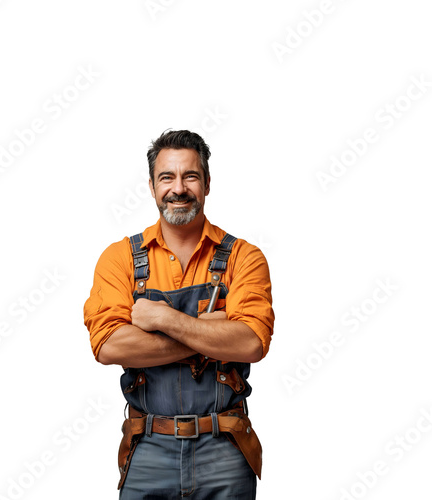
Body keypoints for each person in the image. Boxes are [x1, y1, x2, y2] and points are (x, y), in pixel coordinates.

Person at [83, 129, 275, 499]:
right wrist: (212, 333)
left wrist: (162, 319)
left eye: (190, 176)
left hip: (226, 449)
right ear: (153, 186)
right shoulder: (119, 258)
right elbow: (107, 346)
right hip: (148, 449)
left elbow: (251, 343)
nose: (179, 187)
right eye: (167, 177)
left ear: (206, 183)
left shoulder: (244, 257)